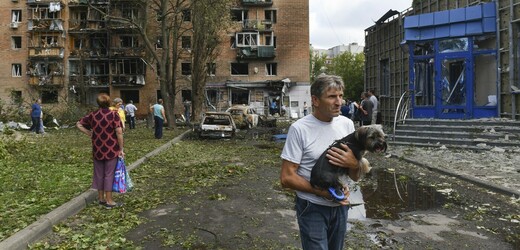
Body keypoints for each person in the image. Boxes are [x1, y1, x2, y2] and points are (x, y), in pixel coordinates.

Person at [280, 74, 360, 249]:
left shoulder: (347, 125)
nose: (339, 102)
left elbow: (355, 176)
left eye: (340, 96)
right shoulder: (299, 129)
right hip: (312, 207)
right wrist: (322, 193)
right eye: (332, 97)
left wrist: (354, 164)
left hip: (340, 206)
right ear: (315, 100)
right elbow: (287, 177)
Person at [76, 93, 124, 208]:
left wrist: (89, 133)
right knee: (109, 174)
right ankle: (109, 201)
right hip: (111, 148)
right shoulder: (113, 115)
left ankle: (101, 199)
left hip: (97, 149)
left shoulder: (93, 115)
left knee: (99, 174)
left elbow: (78, 124)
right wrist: (121, 148)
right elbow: (119, 132)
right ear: (108, 102)